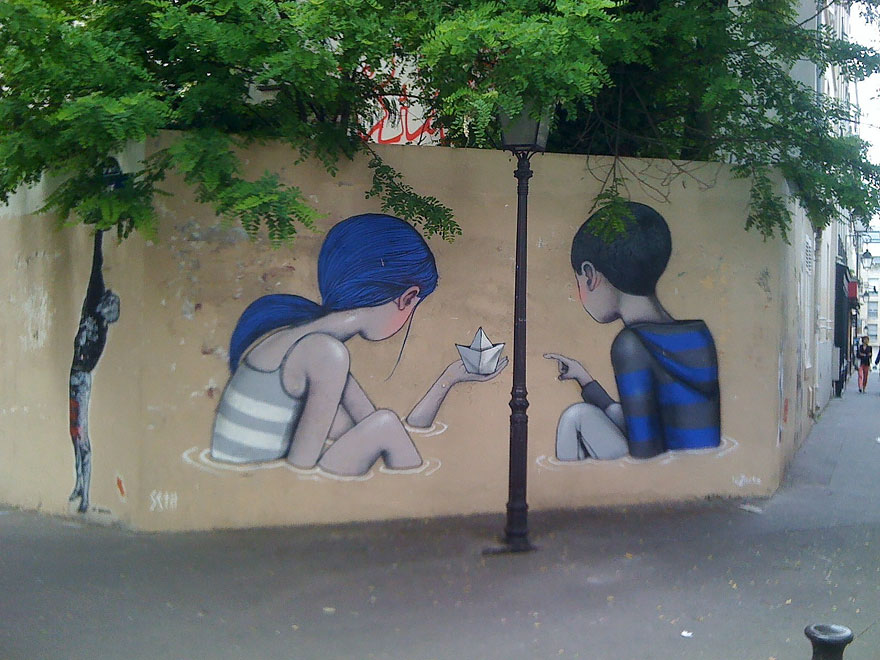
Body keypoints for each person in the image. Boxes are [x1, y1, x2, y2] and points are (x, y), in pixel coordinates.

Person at [210, 213, 507, 476]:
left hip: (252, 479)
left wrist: (450, 377)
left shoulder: (307, 340)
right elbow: (299, 469)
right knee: (385, 423)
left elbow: (371, 423)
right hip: (265, 485)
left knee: (378, 423)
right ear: (406, 298)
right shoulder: (326, 353)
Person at [544, 202, 721, 460]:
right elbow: (649, 419)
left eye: (578, 281)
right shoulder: (699, 335)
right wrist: (585, 380)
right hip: (695, 459)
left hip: (662, 466)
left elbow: (644, 447)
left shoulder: (631, 344)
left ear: (590, 275)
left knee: (578, 416)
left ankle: (567, 482)